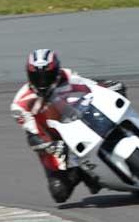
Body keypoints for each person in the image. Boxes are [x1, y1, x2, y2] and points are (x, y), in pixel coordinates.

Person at [10, 49, 127, 203]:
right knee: (59, 193)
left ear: (56, 71)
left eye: (47, 75)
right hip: (55, 142)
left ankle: (131, 129)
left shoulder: (66, 75)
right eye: (37, 77)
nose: (43, 81)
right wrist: (49, 145)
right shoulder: (20, 104)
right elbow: (32, 134)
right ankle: (85, 174)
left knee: (113, 110)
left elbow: (89, 85)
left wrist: (108, 86)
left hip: (79, 118)